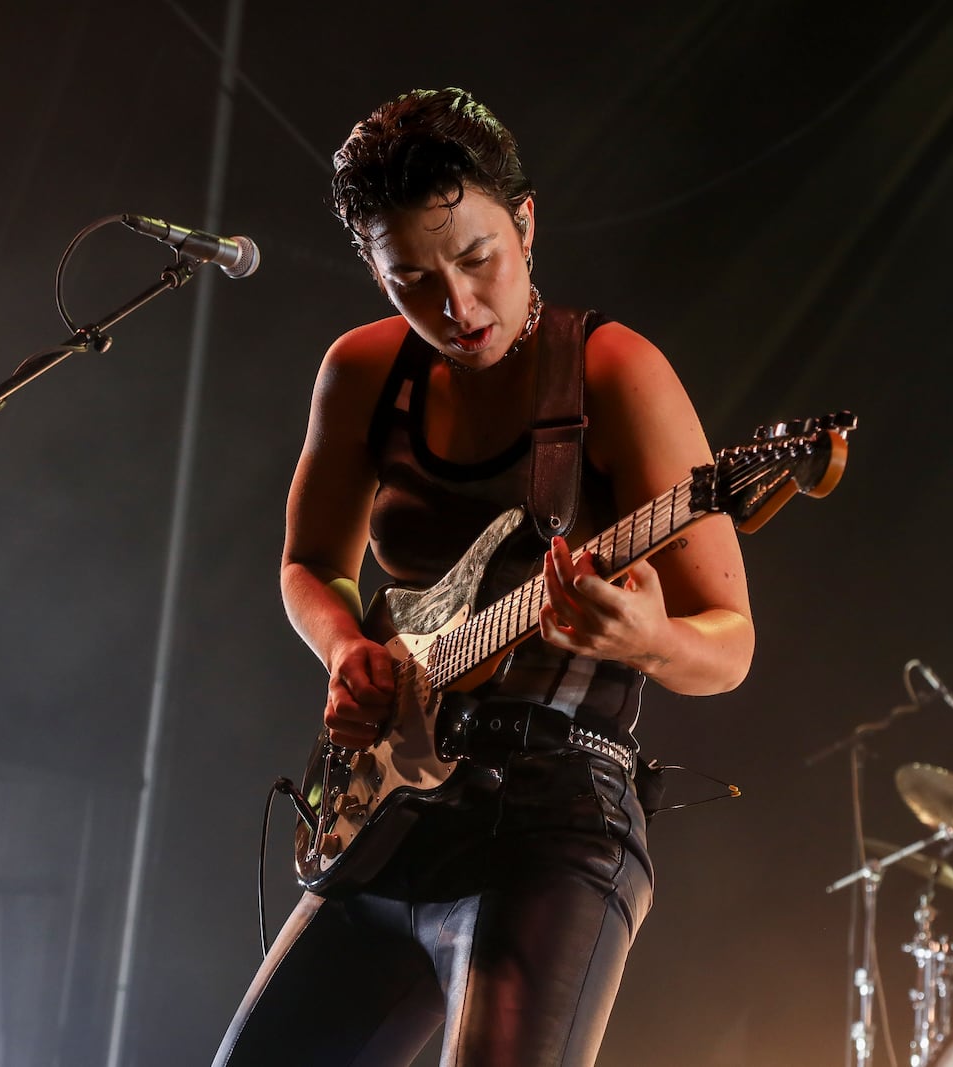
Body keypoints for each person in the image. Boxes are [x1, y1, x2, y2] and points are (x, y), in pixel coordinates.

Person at [213, 88, 754, 1066]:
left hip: (553, 821)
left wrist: (652, 640)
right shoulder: (363, 372)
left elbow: (730, 641)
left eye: (476, 260)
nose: (454, 308)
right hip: (387, 814)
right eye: (410, 280)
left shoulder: (614, 372)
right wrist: (344, 651)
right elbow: (309, 563)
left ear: (526, 222)